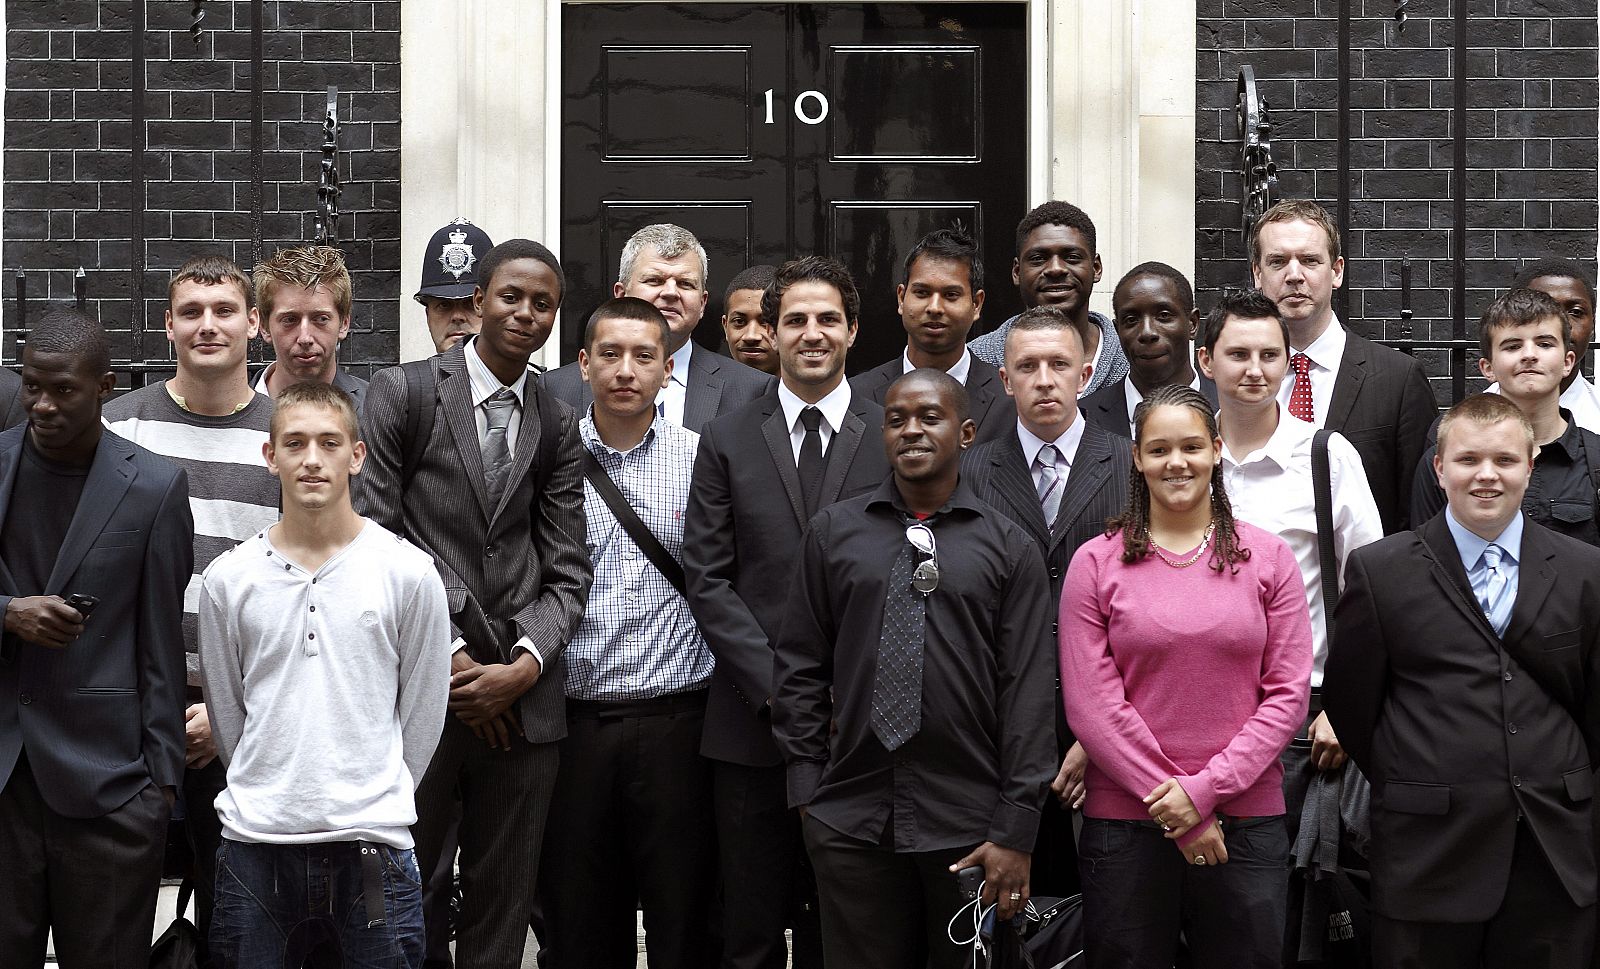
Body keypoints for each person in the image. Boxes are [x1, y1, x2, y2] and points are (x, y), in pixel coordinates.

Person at [354, 238, 594, 969]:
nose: (526, 312)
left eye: (543, 303)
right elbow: (375, 535)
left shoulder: (555, 417)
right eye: (511, 296)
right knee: (398, 891)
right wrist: (456, 658)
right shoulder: (404, 390)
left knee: (502, 901)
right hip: (427, 686)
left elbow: (569, 566)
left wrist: (522, 665)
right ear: (480, 300)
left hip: (526, 701)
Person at [773, 369, 1055, 968]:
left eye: (931, 417)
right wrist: (808, 792)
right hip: (851, 819)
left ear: (968, 432)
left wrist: (1015, 827)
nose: (912, 430)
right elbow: (799, 665)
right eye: (897, 419)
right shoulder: (833, 534)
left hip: (971, 824)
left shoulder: (1010, 549)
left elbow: (1029, 693)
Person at [1324, 393, 1600, 969]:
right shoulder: (1381, 571)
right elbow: (1354, 708)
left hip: (1552, 851)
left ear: (1530, 464)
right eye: (1469, 459)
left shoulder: (1583, 571)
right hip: (1429, 852)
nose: (1486, 476)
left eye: (1504, 460)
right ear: (1439, 467)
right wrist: (1420, 772)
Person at [1060, 384, 1312, 969]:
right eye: (1160, 449)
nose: (1177, 462)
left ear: (1217, 450)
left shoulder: (1268, 558)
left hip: (1245, 822)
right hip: (1125, 826)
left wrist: (1201, 795)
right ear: (1137, 458)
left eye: (1193, 447)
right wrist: (1178, 809)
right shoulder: (1095, 562)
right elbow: (1093, 707)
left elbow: (1286, 695)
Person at [199, 381, 450, 968]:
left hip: (372, 850)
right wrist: (273, 788)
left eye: (329, 443)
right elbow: (228, 714)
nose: (312, 459)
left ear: (356, 456)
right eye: (295, 443)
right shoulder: (228, 580)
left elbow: (423, 710)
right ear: (270, 456)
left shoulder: (408, 573)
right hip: (256, 849)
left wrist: (370, 791)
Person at [684, 255, 890, 969]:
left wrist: (848, 691)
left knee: (853, 930)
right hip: (751, 726)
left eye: (827, 318)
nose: (811, 332)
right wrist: (786, 693)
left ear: (853, 329)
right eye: (794, 319)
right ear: (770, 331)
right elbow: (709, 578)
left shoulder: (892, 431)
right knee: (751, 931)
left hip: (863, 725)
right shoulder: (726, 438)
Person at [0, 309, 194, 966]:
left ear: (105, 385)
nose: (43, 405)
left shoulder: (155, 486)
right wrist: (7, 613)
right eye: (32, 387)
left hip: (109, 792)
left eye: (63, 390)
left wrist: (159, 792)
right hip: (4, 787)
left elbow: (162, 646)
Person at [102, 255, 281, 961]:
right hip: (128, 713)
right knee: (115, 910)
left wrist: (231, 708)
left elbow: (302, 587)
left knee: (238, 918)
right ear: (167, 326)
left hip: (247, 712)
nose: (208, 324)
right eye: (192, 312)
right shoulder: (119, 427)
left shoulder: (287, 434)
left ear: (254, 324)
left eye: (225, 310)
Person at [537, 297, 717, 969]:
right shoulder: (547, 460)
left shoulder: (702, 460)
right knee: (580, 924)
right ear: (582, 364)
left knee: (684, 921)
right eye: (609, 354)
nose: (625, 370)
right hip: (574, 725)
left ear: (668, 369)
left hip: (679, 726)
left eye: (644, 356)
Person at [962, 304, 1132, 900]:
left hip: (1111, 732)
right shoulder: (971, 471)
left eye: (1059, 364)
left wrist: (1099, 731)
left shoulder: (1130, 466)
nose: (1044, 379)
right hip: (1001, 731)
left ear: (1086, 374)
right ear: (1004, 380)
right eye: (1027, 366)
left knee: (1108, 913)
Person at [1196, 288, 1381, 831]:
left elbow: (1371, 595)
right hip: (1194, 706)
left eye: (1269, 356)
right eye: (1238, 354)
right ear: (1206, 361)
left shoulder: (1326, 456)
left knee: (1288, 893)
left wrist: (1346, 710)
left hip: (1304, 718)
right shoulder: (1181, 456)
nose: (1255, 370)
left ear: (1288, 364)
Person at [1251, 199, 1435, 534]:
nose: (1294, 275)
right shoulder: (1232, 380)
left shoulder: (1398, 380)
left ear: (1336, 271)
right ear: (1257, 274)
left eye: (1309, 260)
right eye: (1278, 262)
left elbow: (1418, 515)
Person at [1412, 288, 1600, 548]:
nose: (1529, 354)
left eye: (1545, 344)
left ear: (1568, 361)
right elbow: (1425, 560)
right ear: (1488, 367)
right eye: (1513, 346)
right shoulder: (1446, 458)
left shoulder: (1596, 459)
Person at [542, 223, 771, 430]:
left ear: (702, 303)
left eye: (685, 283)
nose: (671, 293)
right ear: (621, 295)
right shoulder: (556, 388)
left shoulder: (752, 389)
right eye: (654, 280)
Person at [851, 226, 1015, 442]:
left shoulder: (1010, 400)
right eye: (922, 293)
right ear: (901, 298)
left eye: (951, 295)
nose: (935, 307)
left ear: (976, 304)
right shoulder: (856, 396)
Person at [968, 200, 1129, 398]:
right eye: (1038, 258)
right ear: (1017, 272)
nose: (1055, 269)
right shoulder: (975, 360)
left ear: (1096, 268)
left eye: (1072, 257)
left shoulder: (1133, 358)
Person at [1081, 262, 1217, 436]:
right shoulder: (1082, 419)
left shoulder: (1233, 410)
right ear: (1118, 331)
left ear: (1192, 324)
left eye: (1163, 316)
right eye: (1131, 320)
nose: (1147, 332)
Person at [252, 245, 369, 409]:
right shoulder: (228, 409)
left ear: (344, 323)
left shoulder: (375, 408)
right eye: (290, 320)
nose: (305, 338)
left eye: (321, 319)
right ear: (264, 326)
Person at [1505, 260, 1600, 432]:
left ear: (1593, 325)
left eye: (1576, 312)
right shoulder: (1468, 423)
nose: (1562, 324)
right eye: (1543, 309)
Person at [416, 218, 494, 353]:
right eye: (444, 305)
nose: (457, 316)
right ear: (428, 316)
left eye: (471, 304)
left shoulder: (528, 375)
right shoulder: (400, 375)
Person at [721, 264, 779, 375]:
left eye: (765, 321)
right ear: (725, 326)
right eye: (739, 321)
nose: (751, 336)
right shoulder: (701, 390)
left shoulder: (813, 391)